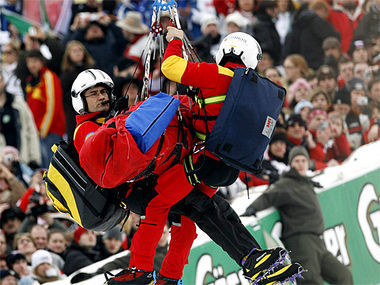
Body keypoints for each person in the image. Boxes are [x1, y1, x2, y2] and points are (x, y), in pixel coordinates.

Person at [69, 65, 303, 283]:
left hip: (154, 177)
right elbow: (100, 147)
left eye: (103, 92)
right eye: (94, 94)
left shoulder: (112, 116)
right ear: (81, 102)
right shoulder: (85, 130)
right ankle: (250, 260)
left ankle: (181, 274)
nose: (102, 97)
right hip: (137, 189)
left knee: (206, 211)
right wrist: (120, 120)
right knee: (203, 207)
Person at [242, 146, 354, 284]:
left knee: (343, 276)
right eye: (296, 161)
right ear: (291, 165)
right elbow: (269, 196)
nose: (300, 164)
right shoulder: (286, 184)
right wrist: (253, 207)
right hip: (301, 242)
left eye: (303, 160)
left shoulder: (305, 182)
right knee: (311, 281)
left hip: (318, 242)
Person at [24, 50, 66, 169]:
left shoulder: (48, 77)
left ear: (42, 62)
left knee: (52, 168)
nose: (32, 65)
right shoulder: (31, 80)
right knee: (42, 169)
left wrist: (43, 129)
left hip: (49, 131)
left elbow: (53, 105)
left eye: (35, 61)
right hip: (36, 132)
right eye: (29, 62)